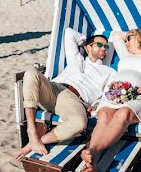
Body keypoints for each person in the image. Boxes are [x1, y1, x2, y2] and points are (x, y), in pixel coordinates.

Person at [15, 28, 119, 161]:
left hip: (75, 100)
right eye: (99, 45)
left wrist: (97, 105)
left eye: (106, 46)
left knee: (80, 123)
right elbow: (69, 33)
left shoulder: (109, 72)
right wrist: (83, 44)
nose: (104, 48)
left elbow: (108, 94)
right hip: (55, 88)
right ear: (88, 47)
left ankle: (33, 143)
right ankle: (31, 130)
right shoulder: (77, 59)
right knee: (30, 73)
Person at [79, 28, 141, 172]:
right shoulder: (126, 56)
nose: (126, 42)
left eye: (129, 39)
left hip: (139, 96)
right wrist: (128, 35)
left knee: (123, 114)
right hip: (113, 94)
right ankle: (93, 164)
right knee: (104, 115)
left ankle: (93, 151)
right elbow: (115, 36)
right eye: (126, 40)